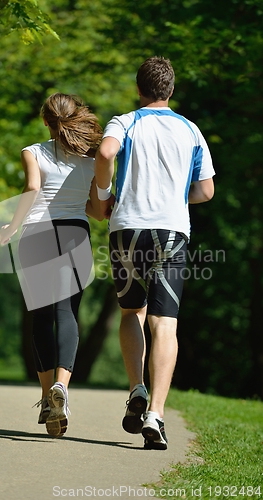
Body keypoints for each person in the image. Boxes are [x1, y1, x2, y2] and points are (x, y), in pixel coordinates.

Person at [95, 56, 215, 450]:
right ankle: (156, 415)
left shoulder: (126, 121)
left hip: (127, 228)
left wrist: (103, 195)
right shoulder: (191, 130)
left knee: (132, 312)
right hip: (172, 232)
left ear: (138, 88)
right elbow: (206, 191)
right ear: (171, 90)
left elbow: (106, 153)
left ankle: (137, 389)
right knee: (165, 324)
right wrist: (176, 197)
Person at [0, 93, 103, 438]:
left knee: (41, 318)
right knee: (67, 313)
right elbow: (94, 208)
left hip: (37, 235)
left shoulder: (33, 151)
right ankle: (62, 387)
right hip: (76, 235)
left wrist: (11, 226)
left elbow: (33, 188)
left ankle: (47, 397)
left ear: (45, 120)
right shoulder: (90, 159)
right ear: (74, 117)